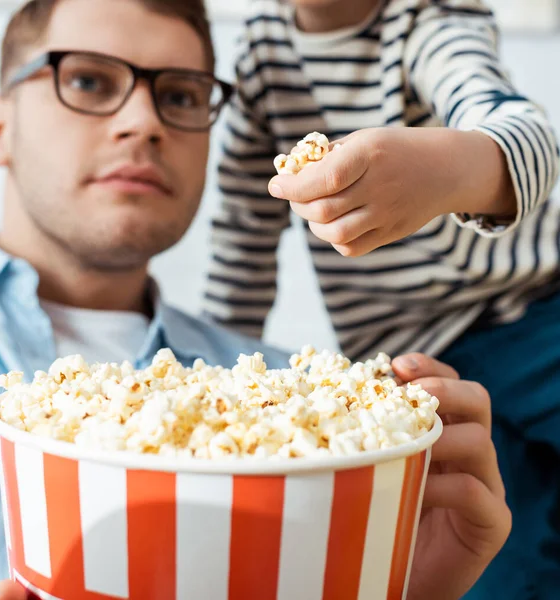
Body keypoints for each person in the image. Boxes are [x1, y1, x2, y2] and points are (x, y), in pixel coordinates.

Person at [0, 0, 509, 598]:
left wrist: (397, 584)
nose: (144, 121)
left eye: (180, 96)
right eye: (88, 81)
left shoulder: (304, 415)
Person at [202, 0, 560, 597]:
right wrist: (216, 382)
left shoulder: (426, 19)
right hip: (417, 368)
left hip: (536, 315)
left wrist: (448, 171)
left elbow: (529, 139)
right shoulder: (264, 55)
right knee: (503, 559)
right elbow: (242, 236)